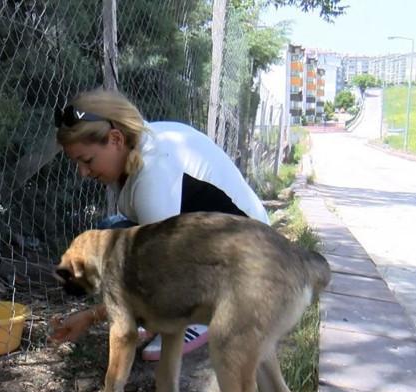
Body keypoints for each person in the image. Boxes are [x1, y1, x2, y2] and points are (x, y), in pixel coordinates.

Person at [48, 88, 269, 361]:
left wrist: (91, 316)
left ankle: (203, 314)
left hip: (252, 261)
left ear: (115, 139)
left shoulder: (153, 173)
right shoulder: (136, 144)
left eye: (87, 160)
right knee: (114, 229)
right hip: (229, 239)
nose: (83, 173)